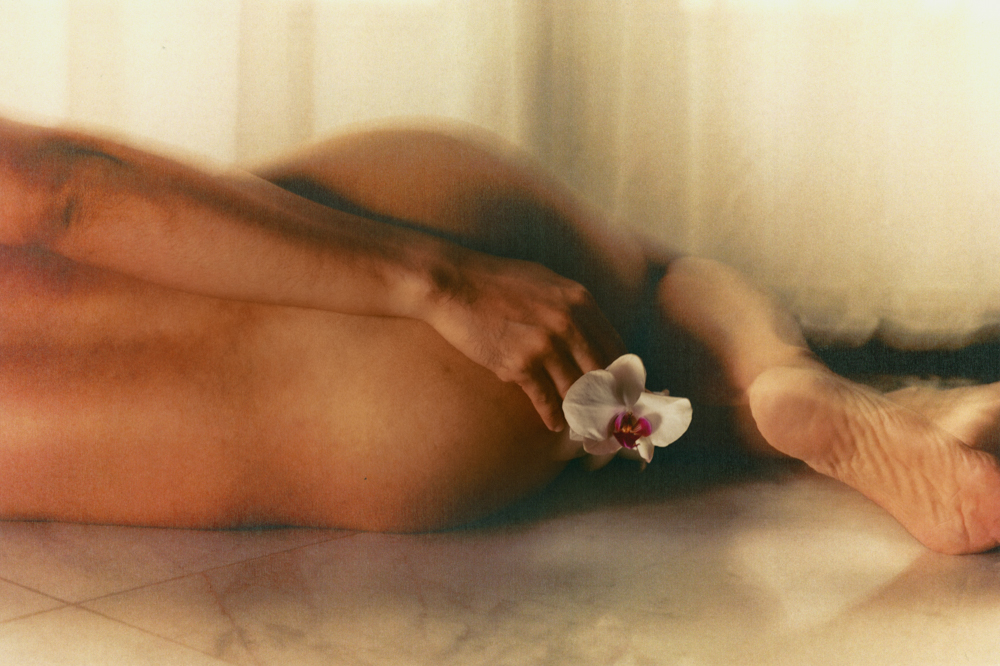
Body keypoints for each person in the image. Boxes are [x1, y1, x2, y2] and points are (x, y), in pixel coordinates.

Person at [0, 116, 998, 555]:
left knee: (628, 413)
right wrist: (436, 281)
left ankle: (873, 414)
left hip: (397, 444)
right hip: (420, 241)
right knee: (658, 282)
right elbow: (62, 190)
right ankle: (790, 374)